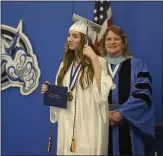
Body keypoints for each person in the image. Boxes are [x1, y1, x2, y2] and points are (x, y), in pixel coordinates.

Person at [41, 16, 113, 155]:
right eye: (69, 36)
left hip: (89, 119)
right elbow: (61, 93)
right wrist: (49, 90)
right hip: (67, 119)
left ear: (85, 40)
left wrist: (93, 59)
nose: (70, 39)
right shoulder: (65, 65)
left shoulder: (99, 62)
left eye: (75, 36)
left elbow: (102, 92)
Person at [100, 25, 155, 156]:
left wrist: (121, 113)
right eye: (108, 39)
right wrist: (102, 114)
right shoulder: (97, 66)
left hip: (129, 125)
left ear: (123, 43)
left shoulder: (137, 65)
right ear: (104, 43)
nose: (112, 42)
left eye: (116, 39)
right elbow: (88, 96)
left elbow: (143, 94)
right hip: (101, 125)